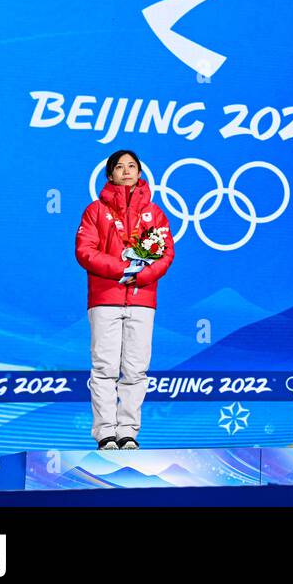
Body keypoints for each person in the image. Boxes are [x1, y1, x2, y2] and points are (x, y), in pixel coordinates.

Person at [75, 149, 175, 450]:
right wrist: (123, 270)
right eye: (120, 167)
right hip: (105, 297)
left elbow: (166, 253)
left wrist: (140, 276)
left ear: (140, 173)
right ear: (110, 174)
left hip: (142, 299)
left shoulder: (154, 214)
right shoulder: (95, 211)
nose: (127, 171)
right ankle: (105, 432)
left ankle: (128, 432)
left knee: (136, 369)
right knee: (104, 367)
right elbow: (85, 251)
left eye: (132, 166)